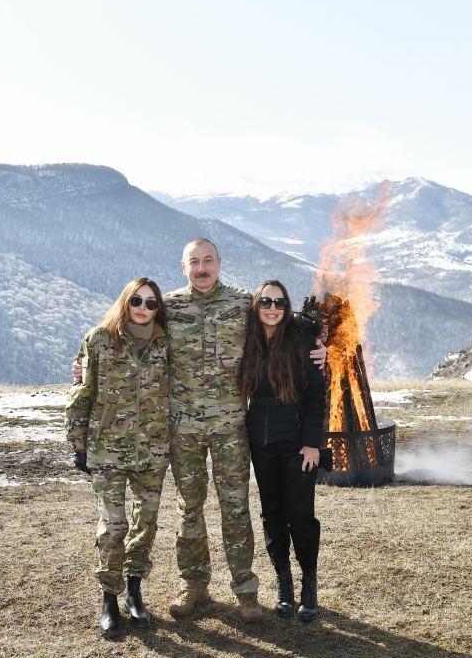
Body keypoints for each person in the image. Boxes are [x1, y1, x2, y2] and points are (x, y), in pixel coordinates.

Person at [73, 238, 326, 623]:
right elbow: (124, 329)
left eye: (208, 260)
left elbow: (280, 317)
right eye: (194, 262)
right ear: (184, 267)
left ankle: (245, 591)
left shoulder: (242, 304)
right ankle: (193, 585)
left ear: (219, 263)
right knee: (189, 508)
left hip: (231, 427)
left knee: (235, 507)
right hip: (182, 428)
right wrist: (82, 365)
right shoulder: (168, 307)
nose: (202, 268)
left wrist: (318, 341)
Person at [65, 277, 170, 639]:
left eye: (151, 303)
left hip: (153, 450)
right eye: (136, 300)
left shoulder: (167, 343)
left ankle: (134, 591)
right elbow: (81, 392)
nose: (143, 308)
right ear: (125, 301)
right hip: (107, 449)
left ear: (158, 308)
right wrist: (78, 445)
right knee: (113, 527)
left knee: (145, 524)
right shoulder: (98, 339)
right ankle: (109, 598)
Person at [239, 280, 326, 623]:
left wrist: (312, 443)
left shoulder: (302, 340)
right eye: (265, 301)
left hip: (297, 444)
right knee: (272, 516)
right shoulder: (248, 339)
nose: (272, 308)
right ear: (256, 305)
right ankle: (284, 584)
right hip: (261, 444)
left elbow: (317, 396)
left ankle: (309, 586)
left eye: (279, 302)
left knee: (301, 517)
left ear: (287, 306)